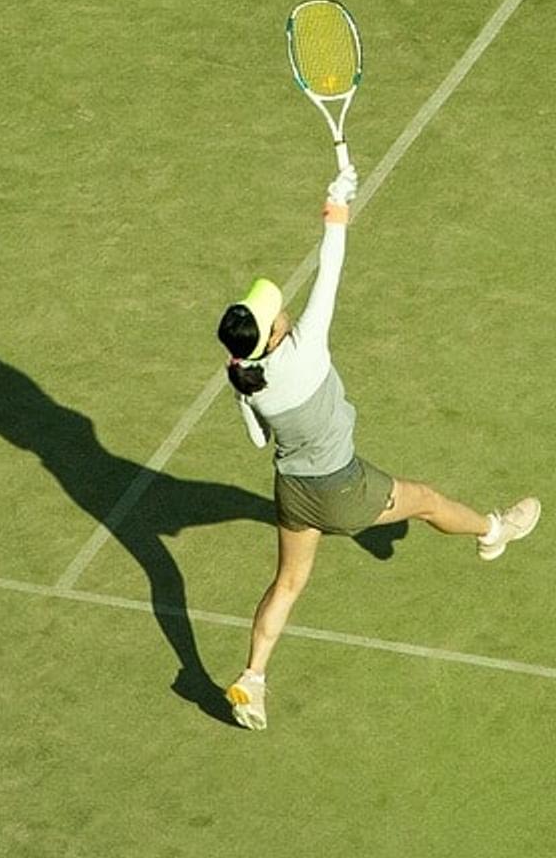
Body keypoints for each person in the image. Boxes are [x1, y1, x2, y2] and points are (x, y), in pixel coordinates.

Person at [217, 170, 539, 731]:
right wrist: (337, 203)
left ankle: (253, 679)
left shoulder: (248, 379)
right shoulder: (305, 348)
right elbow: (331, 267)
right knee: (429, 499)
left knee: (288, 584)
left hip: (291, 492)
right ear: (272, 334)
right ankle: (494, 532)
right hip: (343, 490)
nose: (284, 309)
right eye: (275, 313)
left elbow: (256, 439)